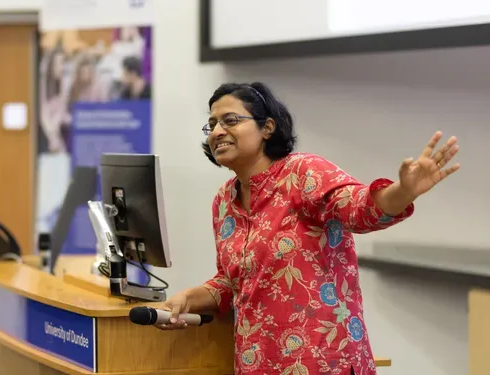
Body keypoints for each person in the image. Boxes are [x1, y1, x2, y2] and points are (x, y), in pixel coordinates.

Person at [157, 82, 460, 375]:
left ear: (267, 128)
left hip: (324, 361)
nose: (218, 131)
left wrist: (404, 191)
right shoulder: (225, 201)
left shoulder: (302, 173)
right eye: (212, 124)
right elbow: (232, 284)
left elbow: (361, 209)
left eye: (230, 120)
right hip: (257, 363)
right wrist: (186, 298)